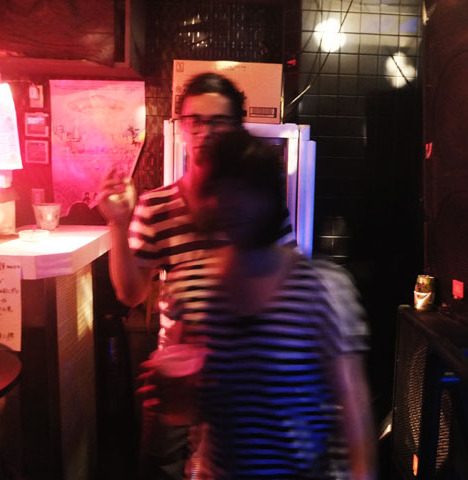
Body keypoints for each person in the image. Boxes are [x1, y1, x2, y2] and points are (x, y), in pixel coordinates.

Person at [146, 129, 377, 479]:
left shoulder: (322, 288)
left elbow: (355, 415)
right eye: (220, 190)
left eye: (246, 189)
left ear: (270, 198)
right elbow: (190, 410)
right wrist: (166, 395)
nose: (232, 202)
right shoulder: (192, 285)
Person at [98, 72, 296, 479]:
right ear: (182, 127)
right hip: (178, 369)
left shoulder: (256, 204)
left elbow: (286, 287)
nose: (205, 133)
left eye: (218, 122)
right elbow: (131, 294)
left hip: (243, 368)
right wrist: (118, 223)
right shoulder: (156, 205)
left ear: (237, 129)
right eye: (195, 121)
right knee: (161, 469)